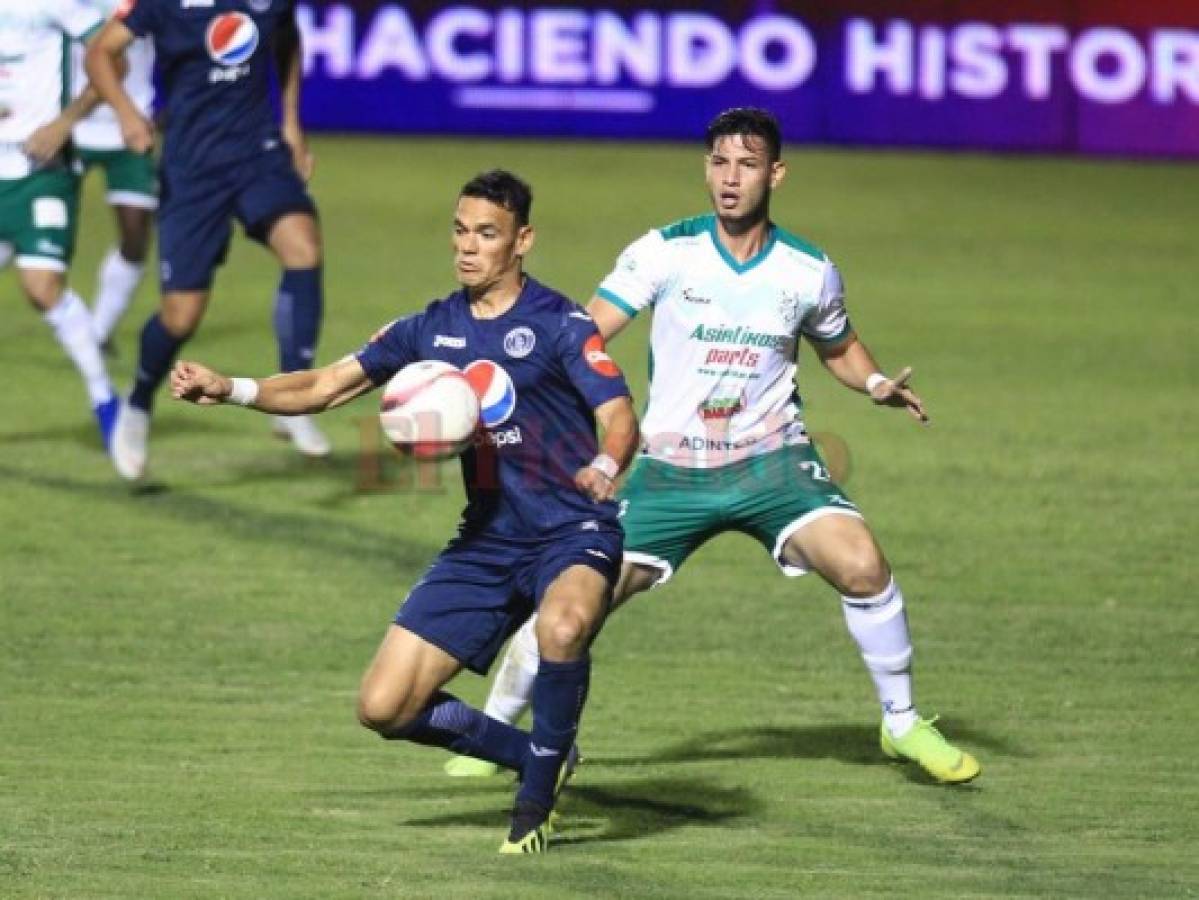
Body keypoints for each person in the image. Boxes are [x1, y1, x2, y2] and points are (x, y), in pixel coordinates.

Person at [449, 108, 981, 785]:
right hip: (670, 469)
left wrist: (873, 381)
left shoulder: (808, 270)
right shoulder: (663, 253)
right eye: (719, 163)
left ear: (775, 173)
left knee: (862, 565)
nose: (729, 179)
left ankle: (901, 724)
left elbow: (838, 346)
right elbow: (583, 336)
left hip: (773, 463)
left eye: (747, 164)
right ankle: (495, 735)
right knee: (572, 603)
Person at [169, 170, 640, 853]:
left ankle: (533, 809)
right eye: (459, 230)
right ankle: (540, 755)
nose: (467, 247)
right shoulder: (431, 327)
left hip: (573, 528)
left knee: (562, 628)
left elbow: (619, 416)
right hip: (486, 542)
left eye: (486, 234)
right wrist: (233, 388)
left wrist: (604, 463)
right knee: (384, 707)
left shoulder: (560, 324)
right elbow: (327, 385)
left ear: (521, 241)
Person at [86, 0, 330, 481]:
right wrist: (127, 113)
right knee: (181, 316)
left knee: (303, 248)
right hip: (191, 168)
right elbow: (99, 53)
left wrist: (291, 124)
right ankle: (137, 404)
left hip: (257, 153)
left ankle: (292, 400)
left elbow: (287, 36)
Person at [0, 0, 119, 445]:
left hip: (40, 170)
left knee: (42, 288)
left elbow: (112, 56)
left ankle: (103, 396)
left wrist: (65, 123)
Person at [72, 0, 158, 353]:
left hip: (131, 125)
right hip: (68, 123)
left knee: (136, 235)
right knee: (15, 224)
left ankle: (98, 332)